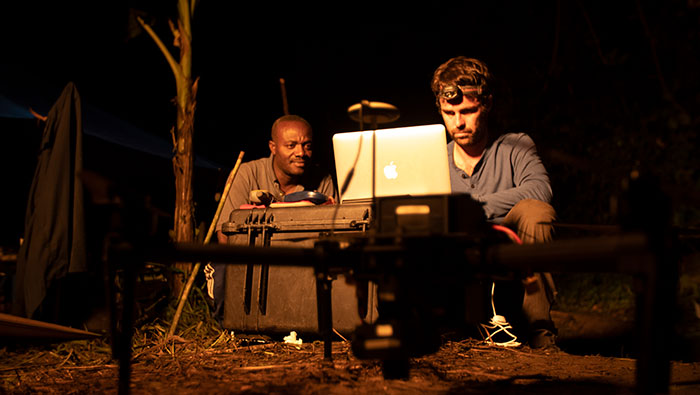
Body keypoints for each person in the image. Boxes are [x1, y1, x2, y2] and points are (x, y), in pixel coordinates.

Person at [430, 56, 557, 348]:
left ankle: (540, 333)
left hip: (508, 252)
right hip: (454, 258)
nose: (458, 122)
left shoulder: (515, 145)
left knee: (536, 212)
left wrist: (472, 208)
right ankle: (439, 327)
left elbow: (540, 189)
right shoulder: (432, 158)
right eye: (449, 113)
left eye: (467, 111)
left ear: (486, 104)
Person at [207, 114, 337, 321]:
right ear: (273, 147)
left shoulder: (322, 181)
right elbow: (224, 233)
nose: (301, 153)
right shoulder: (247, 173)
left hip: (302, 260)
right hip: (254, 258)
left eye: (307, 145)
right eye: (291, 145)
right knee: (224, 267)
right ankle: (233, 325)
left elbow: (335, 233)